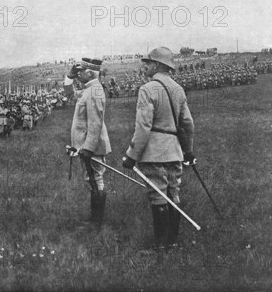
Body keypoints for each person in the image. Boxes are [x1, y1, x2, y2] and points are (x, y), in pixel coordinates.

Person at [122, 47, 195, 249]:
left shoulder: (148, 89)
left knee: (158, 196)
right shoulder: (178, 89)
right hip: (174, 151)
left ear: (156, 65)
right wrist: (188, 151)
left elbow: (143, 126)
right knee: (173, 193)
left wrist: (131, 155)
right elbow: (188, 124)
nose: (144, 65)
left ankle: (160, 246)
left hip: (154, 152)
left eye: (148, 62)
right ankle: (172, 242)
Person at [64, 58, 111, 228]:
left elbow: (96, 123)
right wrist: (69, 78)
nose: (78, 74)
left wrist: (88, 148)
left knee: (95, 180)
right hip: (86, 146)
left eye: (80, 71)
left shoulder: (95, 91)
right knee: (91, 180)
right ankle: (95, 220)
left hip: (91, 147)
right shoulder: (89, 90)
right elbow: (69, 94)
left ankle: (96, 222)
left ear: (90, 73)